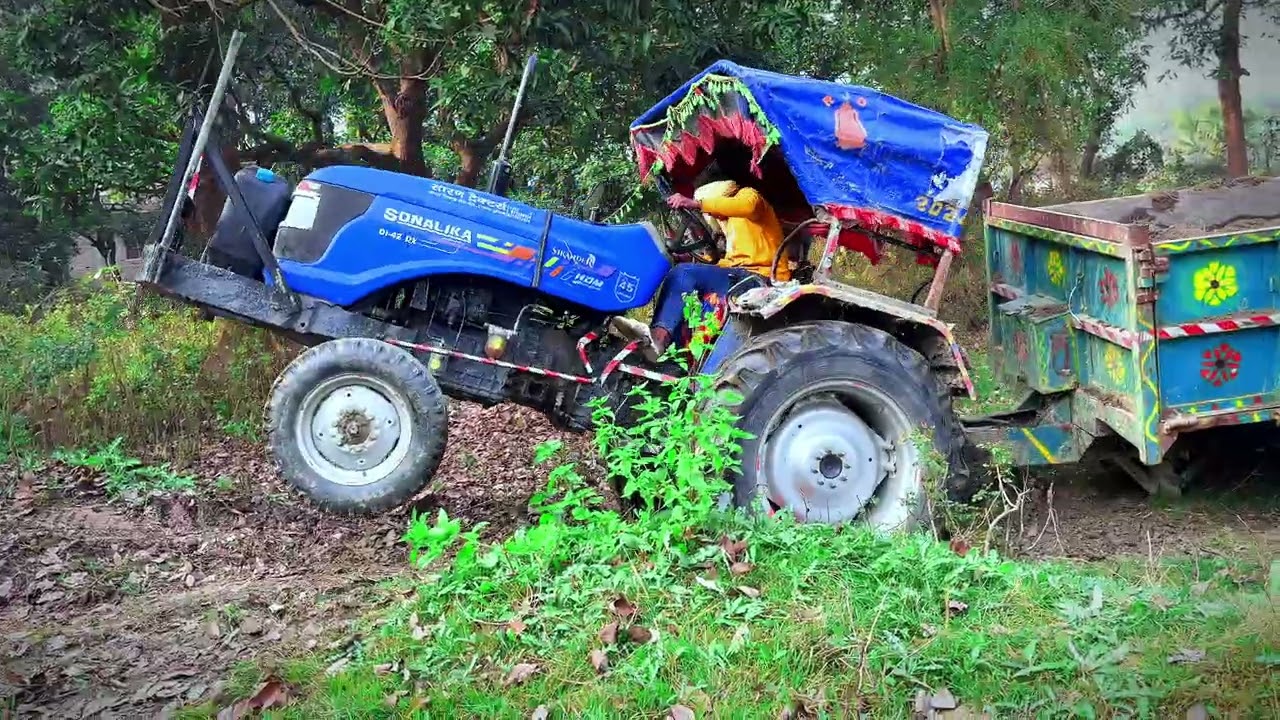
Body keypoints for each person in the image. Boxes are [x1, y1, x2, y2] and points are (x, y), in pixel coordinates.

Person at [618, 175, 788, 361]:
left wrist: (697, 204)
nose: (712, 216)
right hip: (740, 275)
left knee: (683, 273)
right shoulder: (729, 223)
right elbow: (726, 261)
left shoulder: (749, 196)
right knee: (685, 287)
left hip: (759, 277)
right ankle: (674, 358)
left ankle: (659, 339)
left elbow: (748, 206)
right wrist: (687, 257)